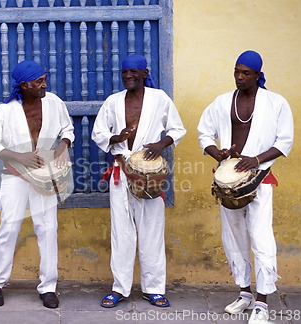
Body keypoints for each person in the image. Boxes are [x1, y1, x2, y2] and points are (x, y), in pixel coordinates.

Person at [197, 50, 294, 323]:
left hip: (259, 180)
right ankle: (244, 293)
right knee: (233, 238)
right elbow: (204, 131)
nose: (239, 77)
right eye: (237, 71)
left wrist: (256, 159)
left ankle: (262, 301)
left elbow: (284, 141)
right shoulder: (222, 102)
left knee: (261, 237)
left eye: (246, 73)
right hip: (228, 182)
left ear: (257, 75)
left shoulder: (275, 103)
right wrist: (215, 151)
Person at [92, 54, 186, 308]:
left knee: (152, 231)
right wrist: (116, 137)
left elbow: (177, 130)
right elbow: (98, 132)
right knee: (121, 232)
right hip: (121, 173)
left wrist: (160, 144)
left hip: (151, 175)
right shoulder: (113, 102)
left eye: (134, 72)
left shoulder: (160, 99)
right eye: (124, 72)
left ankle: (153, 288)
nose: (128, 76)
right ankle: (119, 288)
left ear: (145, 73)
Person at [0, 60, 74, 309]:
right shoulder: (5, 111)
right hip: (14, 176)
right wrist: (20, 157)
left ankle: (48, 286)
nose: (44, 84)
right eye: (39, 81)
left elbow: (68, 128)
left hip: (45, 175)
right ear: (24, 85)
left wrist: (63, 146)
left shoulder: (54, 103)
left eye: (44, 79)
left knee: (47, 228)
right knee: (9, 227)